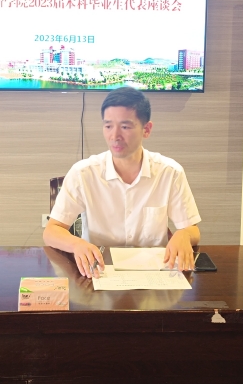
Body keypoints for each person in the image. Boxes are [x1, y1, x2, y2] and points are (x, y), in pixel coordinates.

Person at [43, 87, 201, 278]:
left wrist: (184, 234)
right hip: (100, 273)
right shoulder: (83, 173)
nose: (114, 136)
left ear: (146, 129)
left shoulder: (170, 172)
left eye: (125, 127)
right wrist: (77, 244)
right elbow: (52, 231)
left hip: (153, 276)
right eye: (108, 126)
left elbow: (192, 229)